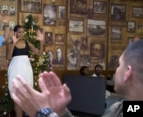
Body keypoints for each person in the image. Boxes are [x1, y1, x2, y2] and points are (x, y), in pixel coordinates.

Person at [11, 39, 143, 117]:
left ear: (127, 72)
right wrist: (61, 111)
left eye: (120, 64)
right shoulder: (120, 108)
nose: (116, 70)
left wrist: (44, 112)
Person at [6, 24, 44, 117]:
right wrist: (14, 43)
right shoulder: (10, 45)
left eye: (23, 32)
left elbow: (39, 53)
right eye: (19, 32)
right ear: (15, 33)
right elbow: (8, 57)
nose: (21, 34)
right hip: (15, 70)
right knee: (17, 97)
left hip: (26, 71)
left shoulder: (28, 44)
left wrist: (41, 42)